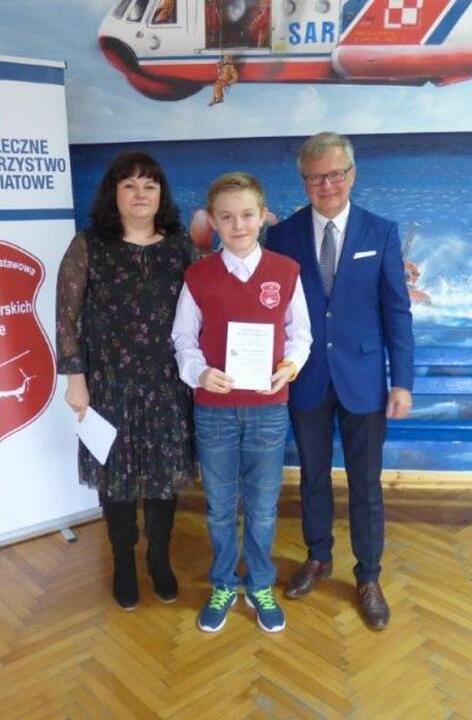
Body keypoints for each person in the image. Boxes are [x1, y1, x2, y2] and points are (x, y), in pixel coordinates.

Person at [266, 132, 414, 631]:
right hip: (305, 378)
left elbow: (397, 311)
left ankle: (368, 575)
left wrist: (402, 382)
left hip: (365, 380)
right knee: (312, 477)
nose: (326, 185)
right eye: (314, 177)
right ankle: (318, 558)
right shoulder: (282, 236)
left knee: (366, 483)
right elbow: (272, 312)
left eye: (334, 174)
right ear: (303, 181)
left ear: (352, 174)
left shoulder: (381, 232)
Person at [56, 152, 198, 611]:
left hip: (167, 386)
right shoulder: (88, 245)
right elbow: (66, 319)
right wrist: (75, 379)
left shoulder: (181, 247)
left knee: (162, 479)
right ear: (113, 193)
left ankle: (159, 559)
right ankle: (123, 561)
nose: (140, 194)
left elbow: (209, 304)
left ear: (161, 195)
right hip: (108, 386)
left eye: (149, 186)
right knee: (114, 481)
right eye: (130, 185)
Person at [172, 172, 311, 633]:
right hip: (214, 410)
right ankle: (224, 583)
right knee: (219, 506)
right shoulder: (198, 275)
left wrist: (291, 366)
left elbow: (301, 334)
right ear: (212, 221)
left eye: (247, 215)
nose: (238, 226)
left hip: (269, 409)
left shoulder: (286, 271)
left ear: (263, 216)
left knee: (263, 506)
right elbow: (183, 339)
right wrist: (199, 373)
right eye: (227, 217)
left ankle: (260, 583)